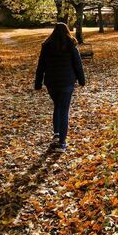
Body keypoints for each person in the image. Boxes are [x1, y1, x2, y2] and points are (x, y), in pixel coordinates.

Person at [34, 23, 86, 151]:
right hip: (67, 82)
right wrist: (81, 80)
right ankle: (62, 143)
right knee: (64, 110)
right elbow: (78, 65)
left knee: (57, 106)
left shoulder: (46, 46)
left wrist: (38, 83)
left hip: (51, 83)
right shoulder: (71, 45)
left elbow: (41, 66)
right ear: (67, 31)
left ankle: (57, 134)